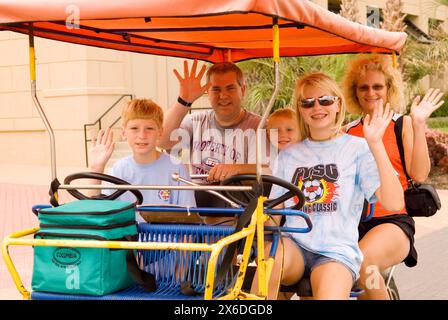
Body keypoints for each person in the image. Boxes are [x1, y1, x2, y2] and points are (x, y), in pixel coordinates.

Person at [251, 72, 404, 300]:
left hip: (336, 251)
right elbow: (274, 213)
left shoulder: (358, 148)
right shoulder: (288, 156)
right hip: (295, 244)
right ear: (300, 109)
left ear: (338, 104)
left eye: (325, 100)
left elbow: (394, 202)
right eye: (308, 102)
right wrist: (256, 226)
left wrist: (375, 144)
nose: (317, 107)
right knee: (268, 262)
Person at [342, 55, 444, 299]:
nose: (371, 92)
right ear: (354, 92)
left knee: (365, 263)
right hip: (353, 224)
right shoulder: (347, 131)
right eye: (363, 87)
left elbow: (419, 173)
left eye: (378, 86)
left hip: (392, 221)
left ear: (389, 89)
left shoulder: (403, 124)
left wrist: (419, 124)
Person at [159, 60, 269, 209]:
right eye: (216, 89)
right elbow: (162, 140)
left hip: (237, 211)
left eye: (230, 88)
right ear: (207, 92)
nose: (223, 95)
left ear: (242, 90)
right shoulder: (195, 121)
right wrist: (184, 100)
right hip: (198, 207)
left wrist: (235, 169)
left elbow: (269, 171)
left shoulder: (260, 126)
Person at [88, 98, 196, 223]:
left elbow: (189, 220)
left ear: (160, 132)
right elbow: (96, 213)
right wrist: (96, 169)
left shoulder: (176, 168)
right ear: (123, 133)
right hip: (127, 240)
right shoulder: (118, 169)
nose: (142, 136)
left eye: (149, 128)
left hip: (166, 240)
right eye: (134, 128)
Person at [266, 108, 300, 172]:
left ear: (301, 132)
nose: (283, 135)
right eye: (276, 130)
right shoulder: (269, 160)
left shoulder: (306, 159)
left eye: (289, 129)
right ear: (268, 134)